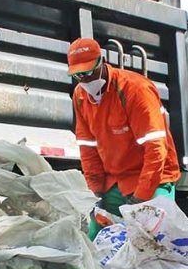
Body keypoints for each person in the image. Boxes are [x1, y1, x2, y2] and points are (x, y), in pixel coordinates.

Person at [68, 38, 180, 238]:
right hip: (115, 181)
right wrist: (94, 193)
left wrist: (140, 198)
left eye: (88, 72)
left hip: (153, 181)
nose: (85, 80)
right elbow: (88, 149)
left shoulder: (135, 90)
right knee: (97, 240)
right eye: (78, 76)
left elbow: (156, 150)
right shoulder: (79, 96)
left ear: (101, 62)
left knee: (153, 245)